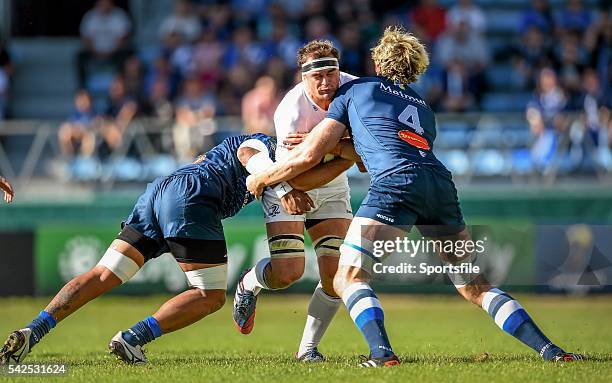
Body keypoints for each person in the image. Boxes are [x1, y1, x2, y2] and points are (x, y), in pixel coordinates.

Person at [246, 26, 585, 367]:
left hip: (395, 185)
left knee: (347, 277)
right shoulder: (424, 108)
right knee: (473, 283)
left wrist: (263, 177)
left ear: (377, 63)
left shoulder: (356, 90)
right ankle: (552, 351)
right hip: (439, 184)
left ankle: (382, 354)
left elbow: (307, 156)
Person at [0, 133, 355, 366]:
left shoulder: (264, 155)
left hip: (160, 190)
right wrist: (280, 183)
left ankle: (34, 330)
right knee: (210, 295)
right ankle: (132, 338)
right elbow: (250, 155)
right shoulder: (266, 142)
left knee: (104, 274)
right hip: (193, 196)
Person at [233, 40, 359, 362]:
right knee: (288, 273)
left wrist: (320, 146)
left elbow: (362, 157)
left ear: (339, 70)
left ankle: (307, 350)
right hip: (288, 182)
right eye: (317, 76)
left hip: (332, 186)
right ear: (303, 77)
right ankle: (250, 282)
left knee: (335, 278)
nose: (325, 82)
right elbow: (296, 168)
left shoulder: (355, 91)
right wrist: (338, 148)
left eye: (331, 73)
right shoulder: (290, 109)